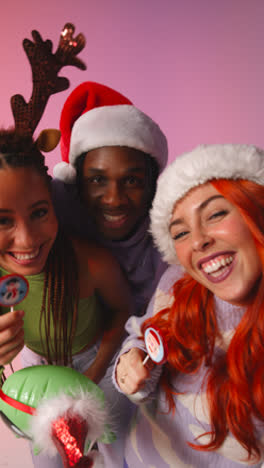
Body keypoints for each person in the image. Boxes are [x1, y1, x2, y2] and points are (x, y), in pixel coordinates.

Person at [114, 143, 264, 467]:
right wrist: (134, 361)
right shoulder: (176, 283)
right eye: (180, 233)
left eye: (216, 214)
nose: (198, 241)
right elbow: (144, 336)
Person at [0, 129, 134, 468]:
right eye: (2, 220)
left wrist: (93, 374)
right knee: (47, 456)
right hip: (40, 367)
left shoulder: (91, 262)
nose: (27, 239)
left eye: (40, 212)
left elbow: (123, 309)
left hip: (98, 362)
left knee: (120, 446)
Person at [52, 81, 169, 316]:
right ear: (77, 182)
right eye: (97, 180)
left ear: (152, 185)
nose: (114, 200)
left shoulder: (171, 242)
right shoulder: (50, 216)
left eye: (131, 181)